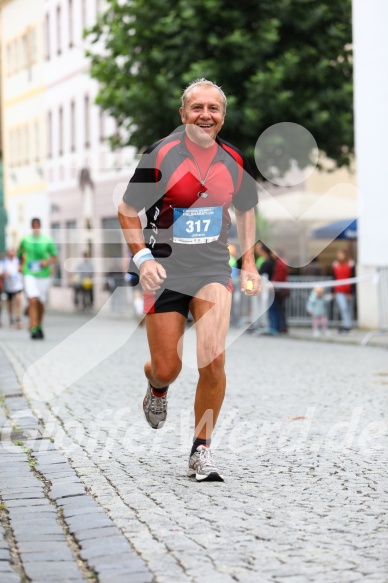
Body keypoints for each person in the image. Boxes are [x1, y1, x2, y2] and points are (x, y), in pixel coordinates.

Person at [118, 78, 261, 482]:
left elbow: (248, 208)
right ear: (183, 115)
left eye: (213, 108)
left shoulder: (232, 159)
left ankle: (201, 450)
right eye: (197, 107)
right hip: (164, 272)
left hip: (213, 269)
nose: (205, 115)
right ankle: (157, 387)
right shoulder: (161, 155)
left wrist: (248, 262)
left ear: (223, 116)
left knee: (213, 358)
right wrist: (142, 258)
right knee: (168, 367)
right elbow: (128, 210)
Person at [18, 218, 57, 339]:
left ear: (40, 226)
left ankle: (39, 325)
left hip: (43, 275)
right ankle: (33, 326)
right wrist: (20, 264)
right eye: (33, 226)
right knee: (32, 300)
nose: (35, 228)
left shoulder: (47, 240)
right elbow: (20, 254)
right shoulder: (25, 239)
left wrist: (47, 262)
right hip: (29, 273)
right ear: (31, 227)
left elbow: (55, 257)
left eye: (37, 226)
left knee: (41, 303)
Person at [332, 249, 355, 333]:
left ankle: (347, 325)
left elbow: (353, 278)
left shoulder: (350, 264)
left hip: (348, 290)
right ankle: (346, 325)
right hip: (339, 290)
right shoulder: (336, 265)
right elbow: (334, 278)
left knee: (348, 309)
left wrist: (351, 292)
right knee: (343, 308)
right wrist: (332, 291)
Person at [0, 249, 24, 328]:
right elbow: (1, 274)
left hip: (18, 285)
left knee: (18, 300)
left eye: (12, 253)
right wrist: (5, 275)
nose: (11, 254)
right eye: (10, 253)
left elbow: (23, 269)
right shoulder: (4, 262)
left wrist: (21, 270)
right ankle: (11, 319)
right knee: (10, 304)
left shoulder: (18, 261)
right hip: (8, 286)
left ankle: (18, 319)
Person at [271, 249, 289, 333]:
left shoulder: (280, 263)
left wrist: (271, 283)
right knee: (281, 309)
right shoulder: (283, 262)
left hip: (279, 289)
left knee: (278, 308)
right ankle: (282, 327)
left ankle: (279, 327)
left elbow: (279, 276)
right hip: (281, 288)